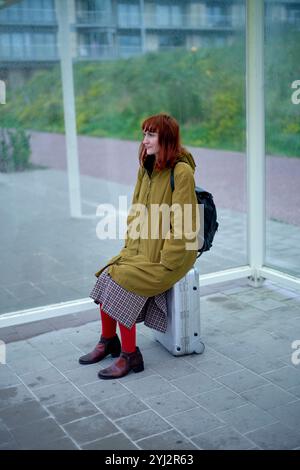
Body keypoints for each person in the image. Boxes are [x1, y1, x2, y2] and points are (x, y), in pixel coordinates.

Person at [79, 113, 199, 379]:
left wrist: (166, 261)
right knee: (109, 273)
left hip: (173, 256)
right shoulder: (147, 166)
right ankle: (108, 341)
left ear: (166, 138)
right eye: (144, 134)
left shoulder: (181, 172)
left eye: (151, 134)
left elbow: (184, 224)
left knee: (123, 282)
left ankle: (130, 356)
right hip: (143, 249)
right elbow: (136, 212)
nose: (144, 140)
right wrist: (129, 250)